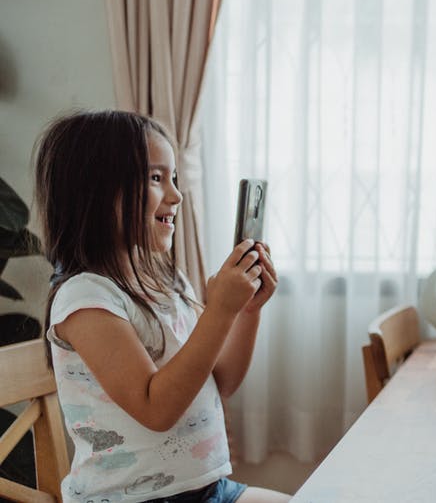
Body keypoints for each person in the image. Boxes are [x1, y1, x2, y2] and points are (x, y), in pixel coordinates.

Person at [34, 110, 290, 503]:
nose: (176, 195)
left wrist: (247, 312)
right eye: (156, 179)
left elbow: (221, 382)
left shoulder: (167, 282)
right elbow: (156, 409)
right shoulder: (85, 300)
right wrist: (220, 311)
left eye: (174, 178)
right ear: (95, 191)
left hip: (208, 490)